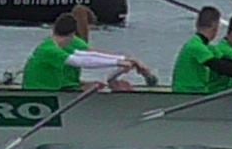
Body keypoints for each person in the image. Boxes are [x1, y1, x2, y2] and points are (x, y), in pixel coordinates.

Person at [22, 12, 157, 91]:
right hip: (40, 92)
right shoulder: (49, 50)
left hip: (56, 89)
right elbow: (80, 61)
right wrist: (119, 62)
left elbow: (87, 55)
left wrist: (124, 60)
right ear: (73, 34)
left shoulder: (57, 45)